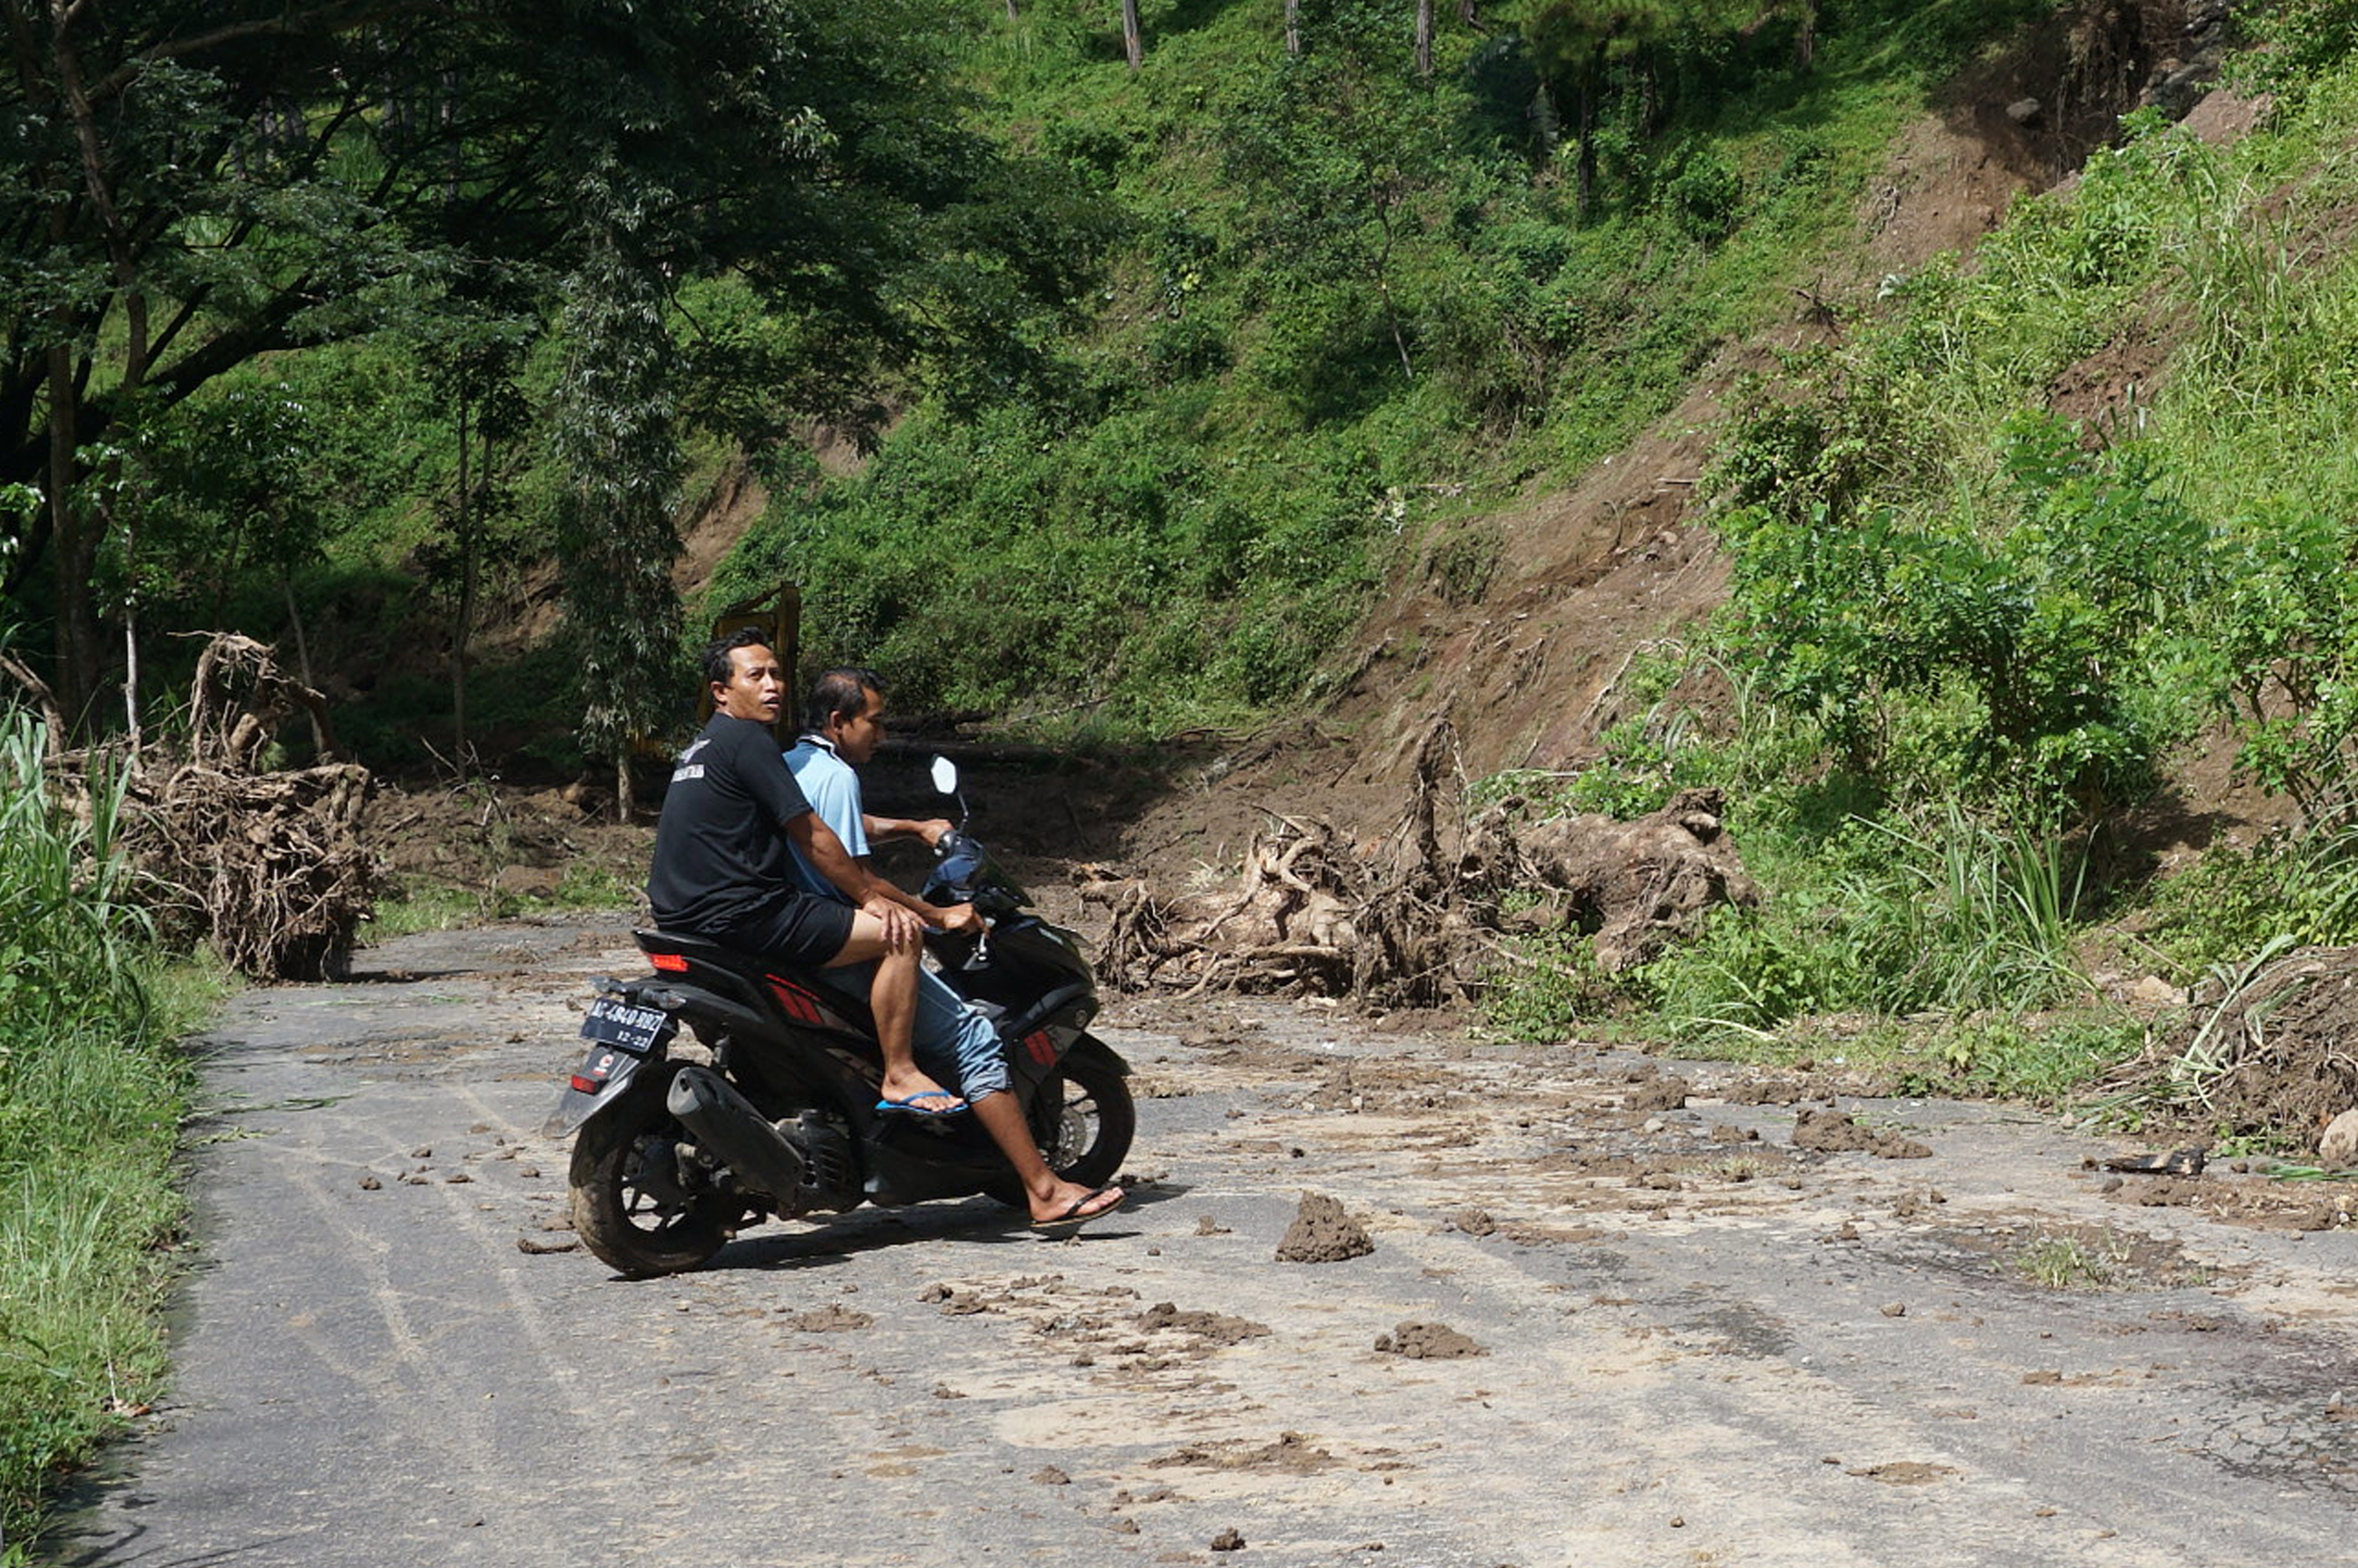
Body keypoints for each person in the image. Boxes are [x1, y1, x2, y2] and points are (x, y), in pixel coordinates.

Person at [786, 666, 1124, 1228]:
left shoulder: (793, 766)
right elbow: (862, 882)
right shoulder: (838, 776)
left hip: (798, 935)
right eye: (875, 722)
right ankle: (1044, 1191)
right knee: (974, 1039)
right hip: (845, 941)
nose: (882, 735)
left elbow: (837, 828)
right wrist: (938, 913)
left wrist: (914, 827)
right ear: (839, 721)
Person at [646, 630, 951, 1117]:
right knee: (902, 934)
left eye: (776, 674)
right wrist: (871, 898)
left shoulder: (702, 749)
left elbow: (818, 823)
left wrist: (911, 828)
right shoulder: (749, 741)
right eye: (756, 676)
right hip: (745, 915)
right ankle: (900, 1073)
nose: (773, 686)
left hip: (678, 921)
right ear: (721, 692)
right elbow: (811, 833)